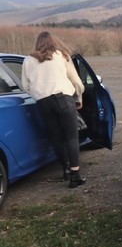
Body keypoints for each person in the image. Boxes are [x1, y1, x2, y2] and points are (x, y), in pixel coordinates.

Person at [22, 31, 87, 188]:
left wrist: (40, 94)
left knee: (56, 137)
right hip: (63, 98)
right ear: (53, 42)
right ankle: (75, 175)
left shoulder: (28, 60)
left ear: (37, 43)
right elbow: (76, 82)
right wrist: (78, 98)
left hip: (43, 103)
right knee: (72, 137)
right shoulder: (62, 55)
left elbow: (26, 86)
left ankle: (65, 169)